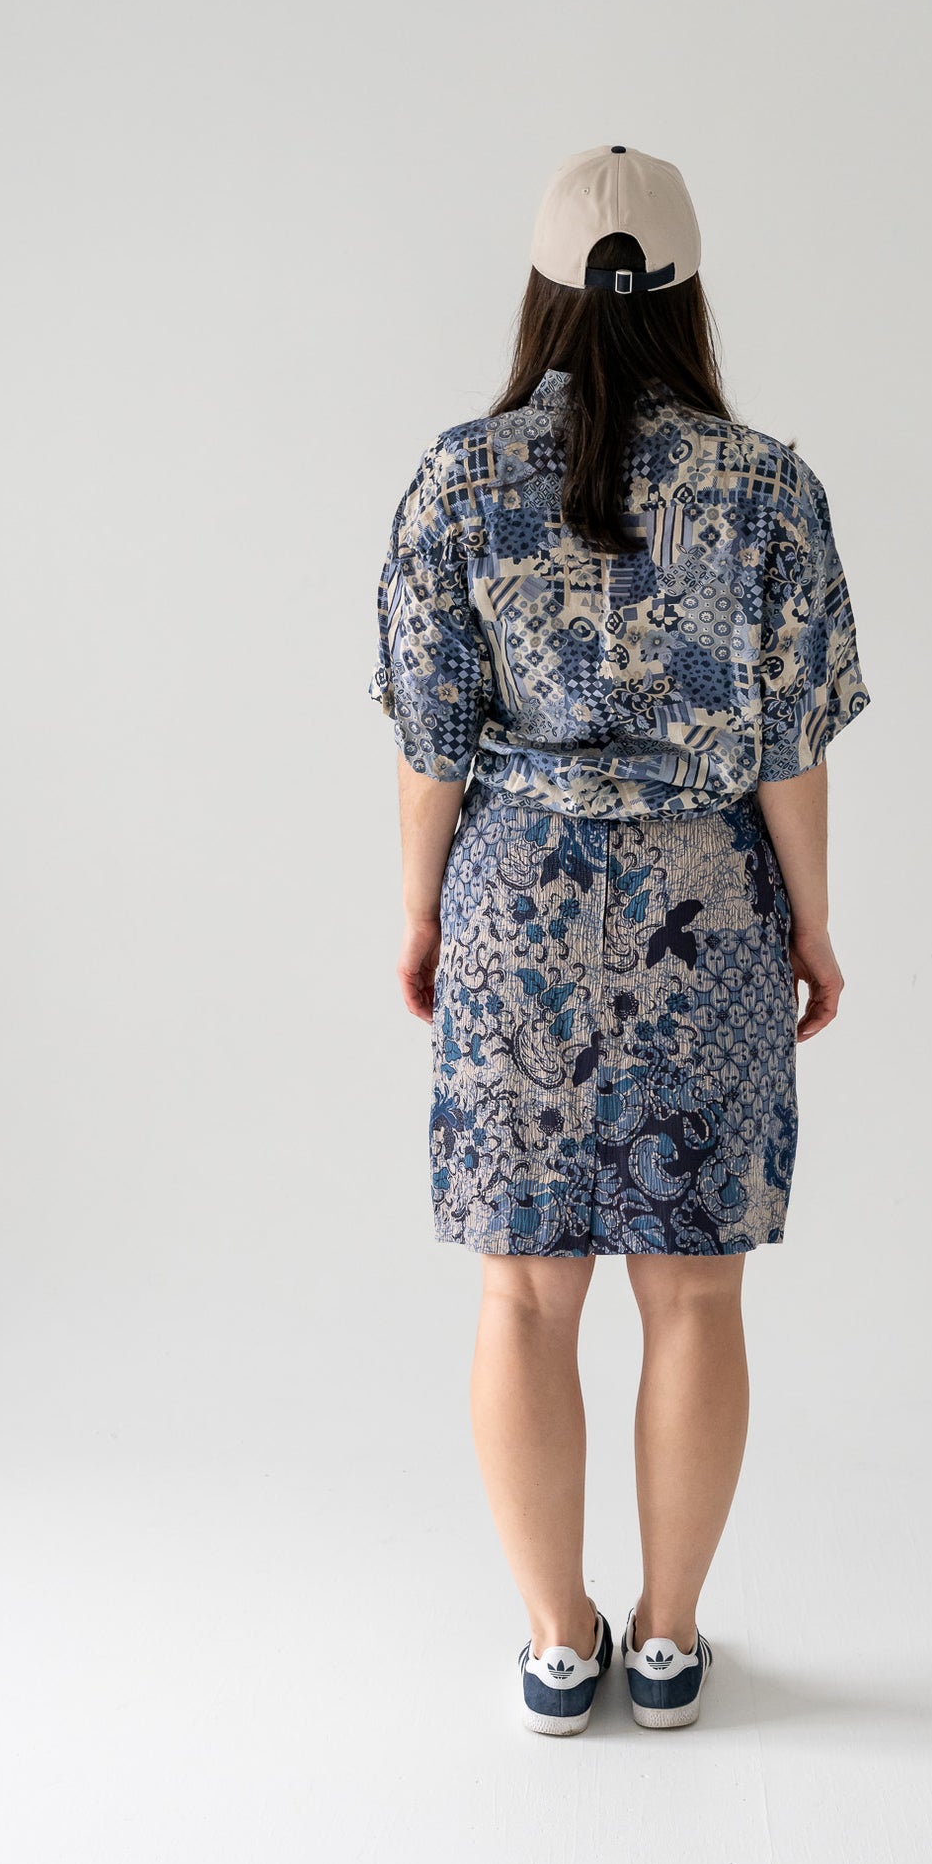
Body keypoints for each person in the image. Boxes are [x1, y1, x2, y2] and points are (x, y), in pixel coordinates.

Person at [368, 143, 870, 1735]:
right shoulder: (767, 485)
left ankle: (551, 1642)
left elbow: (430, 740)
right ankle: (665, 1641)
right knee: (695, 1296)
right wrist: (812, 924)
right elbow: (791, 743)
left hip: (512, 903)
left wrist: (419, 911)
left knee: (522, 1297)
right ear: (689, 292)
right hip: (704, 911)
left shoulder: (455, 478)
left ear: (539, 292)